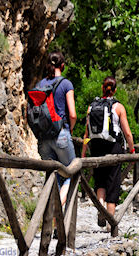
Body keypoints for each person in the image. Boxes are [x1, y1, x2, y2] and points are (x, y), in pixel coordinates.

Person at [81, 76, 135, 229]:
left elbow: (86, 134)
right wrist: (132, 150)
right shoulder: (118, 107)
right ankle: (111, 225)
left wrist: (83, 154)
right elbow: (128, 133)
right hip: (113, 148)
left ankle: (101, 209)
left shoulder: (91, 107)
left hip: (96, 147)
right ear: (115, 89)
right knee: (113, 183)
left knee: (100, 181)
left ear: (102, 88)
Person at [37, 51, 77, 213]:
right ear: (63, 66)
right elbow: (72, 114)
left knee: (53, 177)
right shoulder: (66, 84)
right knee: (72, 173)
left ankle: (53, 223)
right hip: (61, 133)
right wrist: (70, 129)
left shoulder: (40, 84)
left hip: (43, 138)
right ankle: (56, 210)